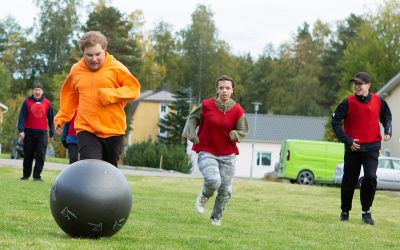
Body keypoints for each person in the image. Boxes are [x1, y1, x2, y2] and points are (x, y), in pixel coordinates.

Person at [54, 31, 141, 167]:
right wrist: (61, 118)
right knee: (90, 167)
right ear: (83, 53)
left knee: (108, 171)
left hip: (113, 129)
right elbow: (70, 97)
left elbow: (134, 89)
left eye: (97, 54)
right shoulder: (76, 71)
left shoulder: (116, 67)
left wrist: (111, 94)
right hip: (86, 129)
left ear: (105, 51)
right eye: (89, 55)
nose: (94, 59)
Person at [185, 75, 248, 226]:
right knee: (213, 181)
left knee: (225, 190)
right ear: (217, 90)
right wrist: (192, 134)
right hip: (207, 151)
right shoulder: (206, 105)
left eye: (227, 88)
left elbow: (243, 131)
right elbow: (193, 118)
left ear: (232, 90)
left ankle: (216, 218)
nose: (224, 90)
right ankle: (203, 196)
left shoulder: (238, 110)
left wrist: (236, 134)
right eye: (221, 88)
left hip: (228, 155)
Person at [331, 71, 392, 225]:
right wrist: (347, 140)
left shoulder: (378, 101)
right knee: (349, 180)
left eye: (360, 84)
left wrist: (388, 130)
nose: (357, 86)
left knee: (371, 177)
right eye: (355, 84)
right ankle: (345, 211)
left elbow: (386, 116)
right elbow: (335, 121)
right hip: (353, 147)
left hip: (372, 146)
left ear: (368, 85)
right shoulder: (348, 102)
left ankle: (366, 212)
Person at [18, 82, 55, 181]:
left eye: (39, 90)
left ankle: (37, 176)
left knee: (40, 155)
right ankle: (25, 176)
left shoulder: (47, 103)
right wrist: (21, 130)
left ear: (42, 92)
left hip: (42, 133)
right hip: (28, 132)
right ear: (33, 91)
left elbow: (51, 119)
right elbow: (21, 117)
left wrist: (52, 133)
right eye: (35, 90)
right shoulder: (27, 102)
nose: (37, 91)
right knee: (28, 155)